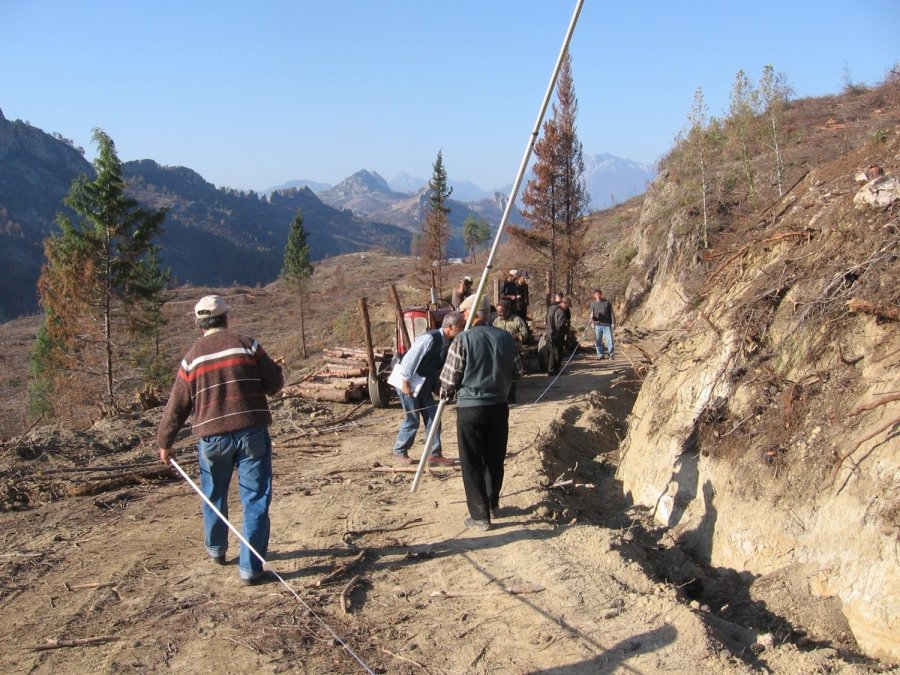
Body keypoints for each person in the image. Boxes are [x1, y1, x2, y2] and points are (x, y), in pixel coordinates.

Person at [157, 295, 284, 585]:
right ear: (226, 318)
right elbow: (274, 384)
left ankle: (217, 549)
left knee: (213, 495)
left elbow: (177, 405)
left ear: (199, 324)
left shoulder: (192, 358)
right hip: (251, 432)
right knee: (255, 499)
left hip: (212, 439)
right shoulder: (247, 345)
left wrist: (165, 442)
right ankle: (250, 569)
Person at [441, 295, 517, 531]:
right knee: (495, 458)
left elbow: (449, 379)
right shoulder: (505, 338)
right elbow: (518, 370)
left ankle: (480, 516)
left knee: (472, 461)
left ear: (468, 313)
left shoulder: (463, 339)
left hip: (471, 408)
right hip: (499, 406)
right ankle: (493, 505)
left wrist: (445, 393)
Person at [391, 311, 466, 466]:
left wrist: (437, 386)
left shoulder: (447, 342)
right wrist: (405, 382)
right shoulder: (429, 339)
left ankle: (434, 454)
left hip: (423, 385)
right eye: (460, 326)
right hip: (409, 383)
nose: (462, 328)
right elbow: (410, 359)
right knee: (412, 419)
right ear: (450, 327)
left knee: (433, 417)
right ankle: (400, 450)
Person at [545, 292, 571, 375]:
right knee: (559, 352)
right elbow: (559, 326)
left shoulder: (551, 308)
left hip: (549, 332)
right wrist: (566, 331)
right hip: (557, 334)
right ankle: (555, 370)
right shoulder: (561, 312)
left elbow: (546, 320)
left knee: (552, 353)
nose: (567, 308)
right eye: (568, 306)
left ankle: (551, 370)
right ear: (565, 304)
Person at [589, 288, 615, 359]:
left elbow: (611, 313)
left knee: (609, 340)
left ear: (601, 294)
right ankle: (600, 355)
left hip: (606, 324)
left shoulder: (606, 303)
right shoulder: (593, 304)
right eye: (596, 295)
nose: (598, 296)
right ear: (594, 295)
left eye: (599, 294)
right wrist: (592, 321)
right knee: (598, 340)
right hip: (597, 325)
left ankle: (611, 354)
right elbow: (591, 314)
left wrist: (613, 322)